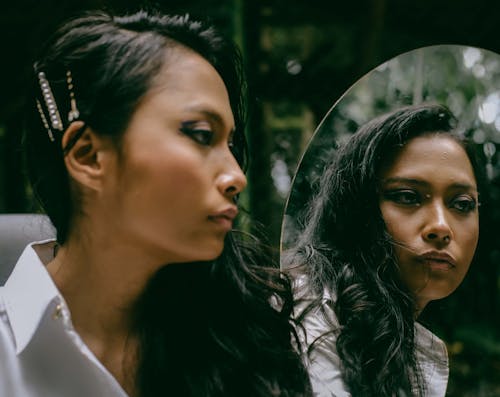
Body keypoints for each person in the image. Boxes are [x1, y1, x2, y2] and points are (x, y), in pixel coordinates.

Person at [0, 10, 312, 397]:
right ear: (88, 156)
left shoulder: (243, 334)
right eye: (200, 135)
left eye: (230, 146)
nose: (237, 177)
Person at [285, 104, 485, 396]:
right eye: (407, 197)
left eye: (462, 204)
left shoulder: (412, 346)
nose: (441, 227)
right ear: (356, 208)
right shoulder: (306, 318)